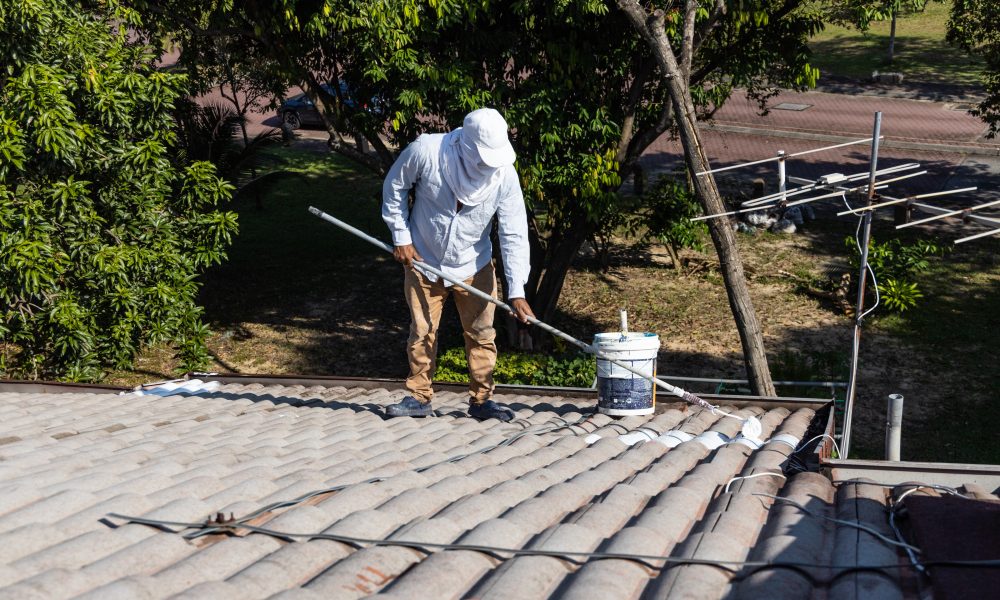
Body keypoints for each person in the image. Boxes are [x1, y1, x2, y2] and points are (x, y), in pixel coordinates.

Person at [381, 108, 535, 421]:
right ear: (466, 145)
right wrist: (401, 237)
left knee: (481, 334)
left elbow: (514, 231)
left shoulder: (505, 174)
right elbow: (395, 186)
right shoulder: (427, 151)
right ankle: (418, 397)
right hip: (424, 260)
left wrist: (516, 290)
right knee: (422, 331)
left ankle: (482, 400)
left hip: (474, 264)